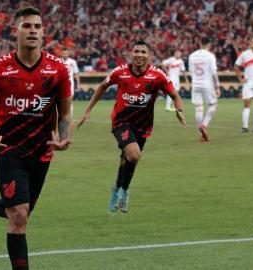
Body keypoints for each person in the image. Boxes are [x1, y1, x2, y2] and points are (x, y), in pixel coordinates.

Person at [0, 7, 72, 270]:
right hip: (8, 150)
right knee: (18, 216)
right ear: (15, 31)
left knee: (19, 212)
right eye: (27, 26)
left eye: (37, 27)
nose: (33, 31)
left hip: (41, 153)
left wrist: (64, 136)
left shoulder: (58, 69)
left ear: (44, 32)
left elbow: (65, 112)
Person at [77, 40, 186, 213]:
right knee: (134, 156)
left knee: (127, 160)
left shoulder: (157, 75)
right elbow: (102, 87)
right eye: (136, 51)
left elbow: (175, 95)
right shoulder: (120, 72)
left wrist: (179, 110)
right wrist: (88, 110)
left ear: (149, 56)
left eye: (143, 52)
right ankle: (125, 192)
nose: (139, 55)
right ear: (131, 54)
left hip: (143, 126)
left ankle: (119, 190)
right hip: (121, 122)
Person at [188, 36, 220, 142]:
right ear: (209, 45)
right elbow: (214, 73)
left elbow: (191, 71)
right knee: (213, 105)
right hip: (207, 84)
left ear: (200, 43)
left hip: (195, 83)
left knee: (198, 108)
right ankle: (204, 126)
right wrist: (217, 87)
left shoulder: (192, 56)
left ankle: (201, 134)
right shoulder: (210, 56)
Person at [61, 47, 80, 115]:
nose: (65, 54)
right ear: (61, 54)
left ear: (68, 54)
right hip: (61, 84)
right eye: (64, 53)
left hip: (70, 83)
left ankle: (69, 117)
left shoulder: (72, 62)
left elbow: (76, 73)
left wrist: (78, 84)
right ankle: (62, 116)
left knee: (69, 101)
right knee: (61, 101)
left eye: (66, 53)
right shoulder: (58, 61)